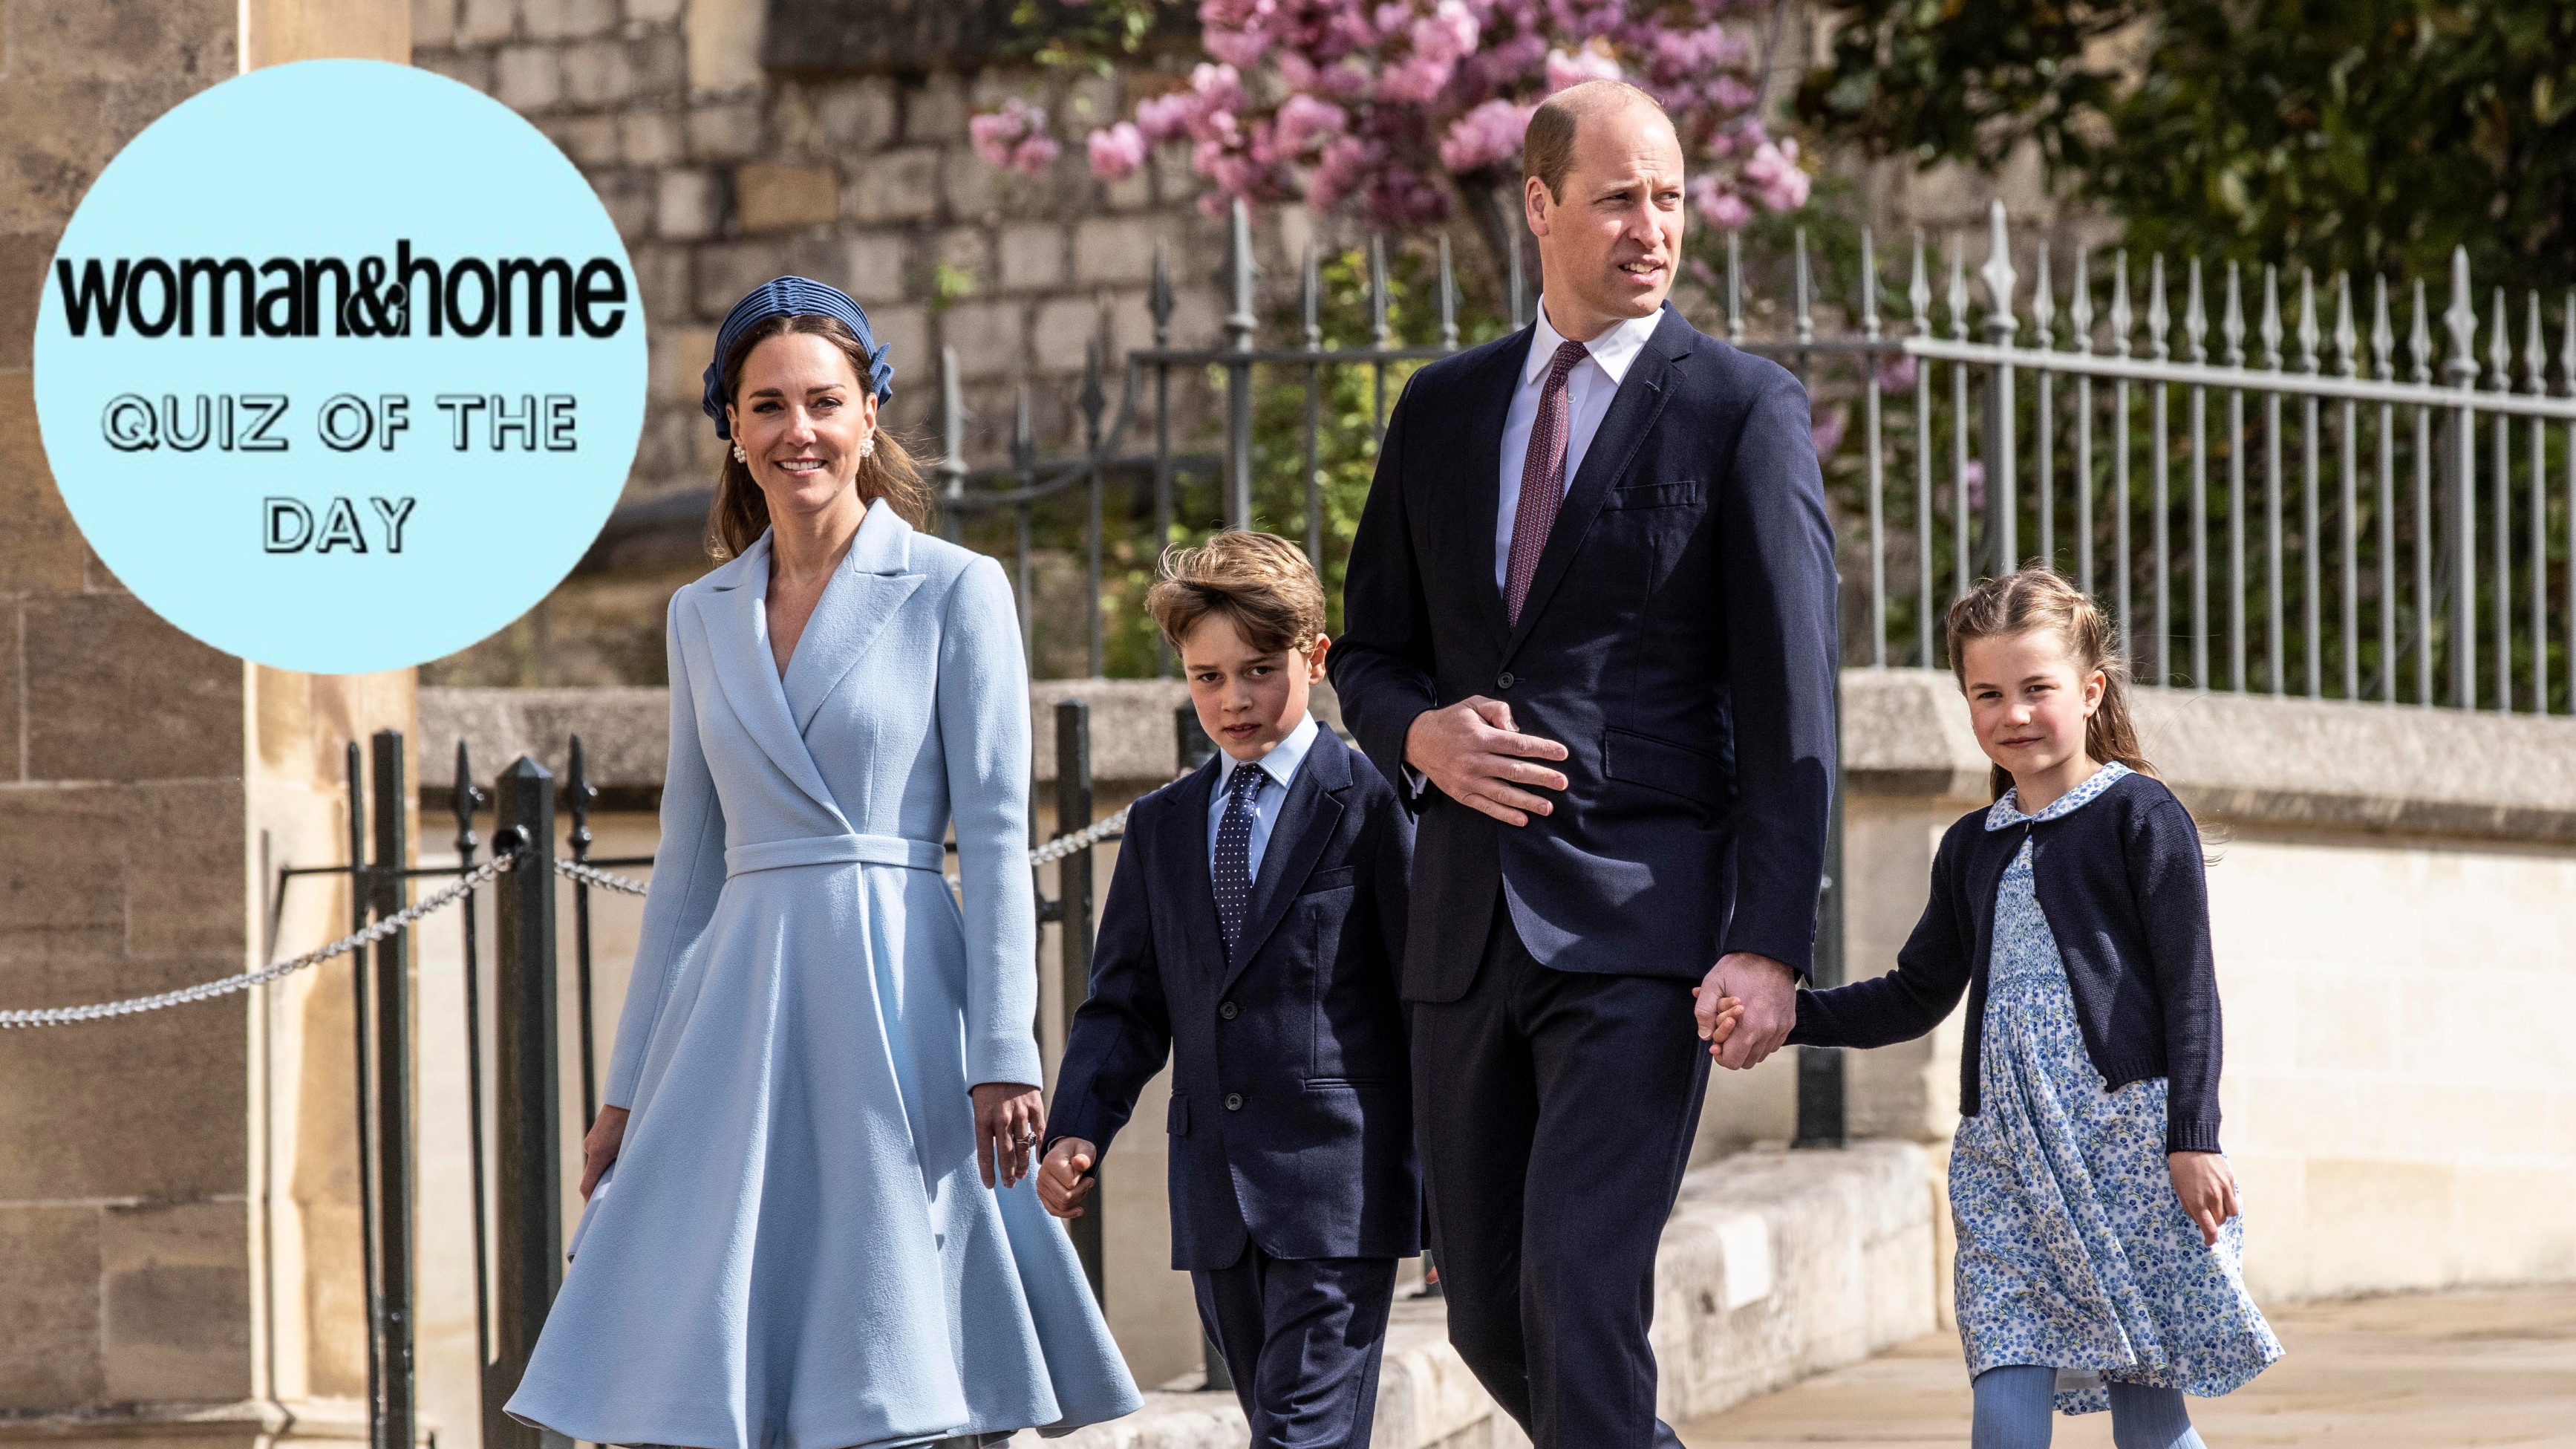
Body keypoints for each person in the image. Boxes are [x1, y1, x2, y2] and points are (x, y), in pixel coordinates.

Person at [505, 278, 1141, 1449]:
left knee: (905, 1338)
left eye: (824, 401)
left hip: (901, 1000)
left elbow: (997, 834)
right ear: (732, 430)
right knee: (710, 1352)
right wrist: (625, 1085)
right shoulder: (699, 613)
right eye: (768, 405)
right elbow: (688, 872)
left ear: (870, 414)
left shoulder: (958, 587)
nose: (799, 428)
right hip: (737, 1013)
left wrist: (1003, 1048)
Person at [1328, 79, 1839, 1448]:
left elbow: (1793, 705)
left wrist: (1768, 941)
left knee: (1577, 1282)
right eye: (1618, 196)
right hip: (1460, 933)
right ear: (1540, 205)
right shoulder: (1438, 410)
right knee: (1489, 1310)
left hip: (1640, 926)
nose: (1649, 226)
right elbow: (1363, 650)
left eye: (1668, 197)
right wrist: (1417, 734)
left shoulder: (1738, 409)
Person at [1729, 567, 2281, 1448]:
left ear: (2091, 689)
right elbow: (1914, 993)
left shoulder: (2141, 816)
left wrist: (2193, 1135)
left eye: (2036, 689)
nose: (2012, 713)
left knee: (2147, 1417)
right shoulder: (1970, 846)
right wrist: (1791, 1015)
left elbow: (2190, 995)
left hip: (2123, 1152)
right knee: (2003, 1398)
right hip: (2003, 1164)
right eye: (1987, 694)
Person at [1037, 532, 1419, 1449]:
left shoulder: (1372, 801)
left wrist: (1452, 1194)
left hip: (1340, 1196)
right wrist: (1079, 1124)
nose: (1233, 698)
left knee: (1297, 1437)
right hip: (1215, 1200)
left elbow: (1425, 1003)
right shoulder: (1163, 825)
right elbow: (1124, 1002)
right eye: (1206, 676)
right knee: (1290, 1429)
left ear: (1315, 658)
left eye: (1257, 669)